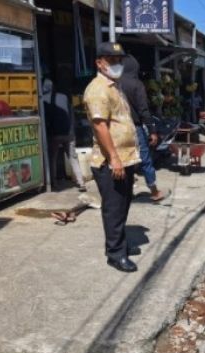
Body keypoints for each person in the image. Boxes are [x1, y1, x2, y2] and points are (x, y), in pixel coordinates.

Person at [84, 42, 141, 273]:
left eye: (119, 60)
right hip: (111, 160)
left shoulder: (114, 86)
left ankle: (119, 244)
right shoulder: (98, 89)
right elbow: (100, 127)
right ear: (100, 62)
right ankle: (115, 254)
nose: (117, 64)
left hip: (126, 157)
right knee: (114, 207)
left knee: (124, 203)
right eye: (111, 60)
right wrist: (115, 158)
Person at [119, 54, 166, 202]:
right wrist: (152, 130)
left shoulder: (113, 83)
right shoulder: (136, 84)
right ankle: (154, 191)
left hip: (117, 128)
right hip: (135, 127)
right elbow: (143, 110)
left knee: (124, 159)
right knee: (144, 158)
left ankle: (125, 192)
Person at [43, 78, 87, 192]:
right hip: (69, 133)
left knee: (52, 158)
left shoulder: (43, 100)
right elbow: (71, 114)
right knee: (73, 158)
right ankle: (81, 182)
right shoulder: (64, 97)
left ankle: (54, 183)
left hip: (55, 134)